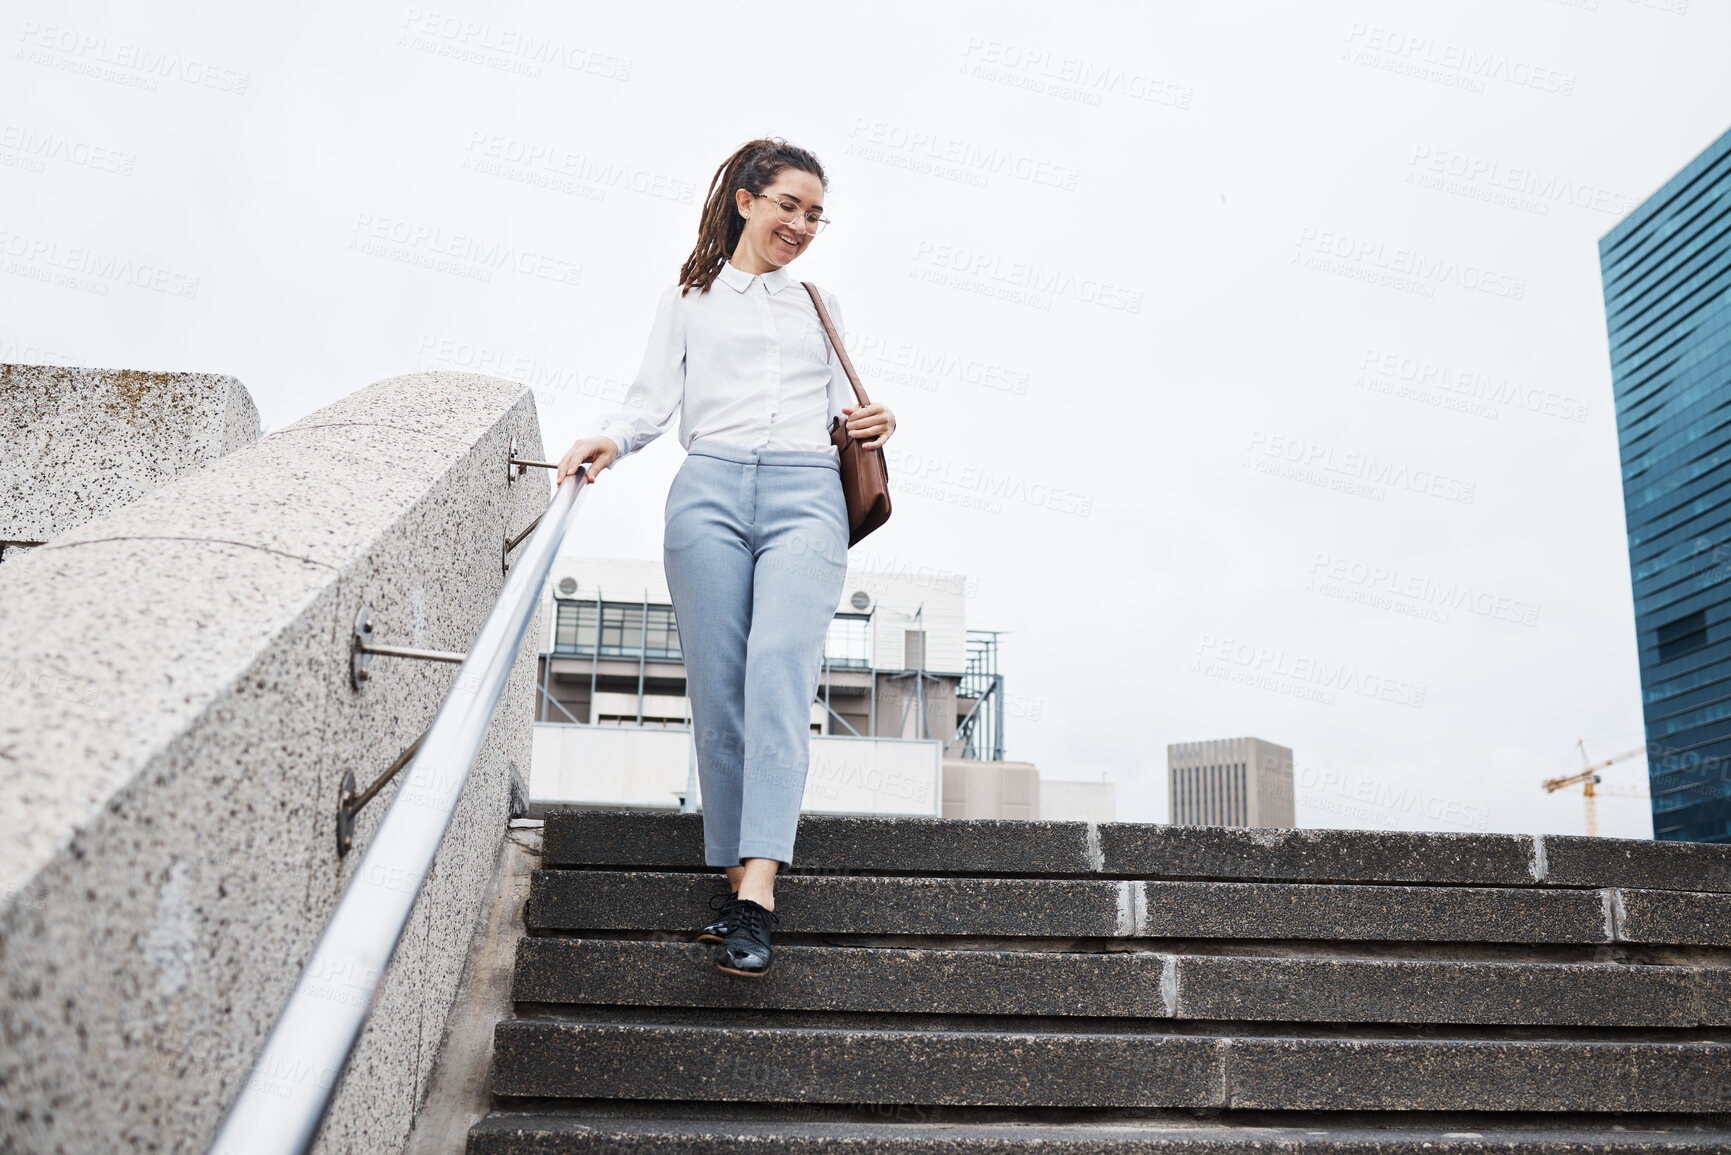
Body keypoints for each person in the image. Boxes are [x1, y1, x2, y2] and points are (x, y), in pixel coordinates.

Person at [555, 138, 896, 977]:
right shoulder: (690, 298)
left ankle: (757, 895)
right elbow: (648, 402)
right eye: (788, 204)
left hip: (806, 493)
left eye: (815, 213)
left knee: (778, 668)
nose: (802, 225)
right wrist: (610, 437)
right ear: (745, 200)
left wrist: (872, 422)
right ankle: (735, 866)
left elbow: (837, 410)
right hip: (706, 488)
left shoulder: (818, 302)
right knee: (719, 685)